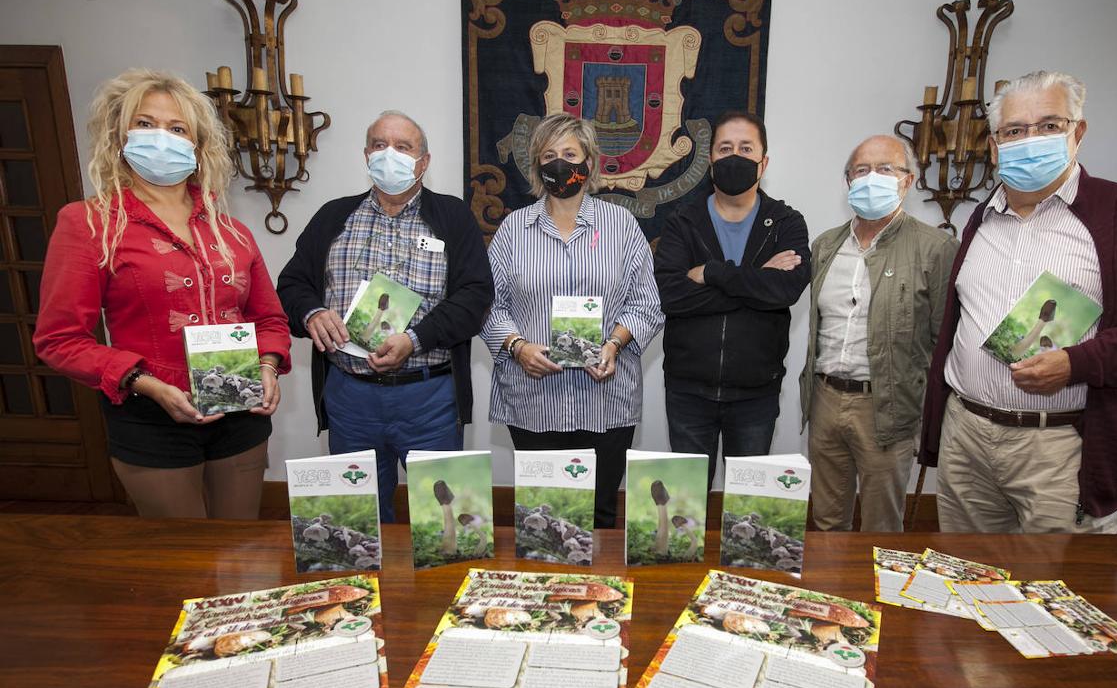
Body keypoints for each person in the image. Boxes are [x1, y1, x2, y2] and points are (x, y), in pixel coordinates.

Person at [920, 70, 1117, 533]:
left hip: (1062, 445)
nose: (1031, 139)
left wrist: (1079, 362)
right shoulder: (982, 218)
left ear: (1077, 132)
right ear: (995, 145)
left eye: (1049, 125)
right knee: (969, 583)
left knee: (1056, 593)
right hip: (968, 439)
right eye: (1015, 130)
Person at [33, 68, 290, 518]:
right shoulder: (90, 224)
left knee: (239, 555)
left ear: (197, 144)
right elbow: (59, 340)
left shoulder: (231, 231)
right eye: (146, 124)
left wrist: (267, 366)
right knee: (185, 563)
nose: (161, 138)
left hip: (240, 413)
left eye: (176, 129)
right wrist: (147, 384)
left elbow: (269, 319)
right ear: (120, 136)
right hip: (149, 418)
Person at [277, 111, 492, 522]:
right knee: (359, 524)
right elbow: (291, 285)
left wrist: (416, 339)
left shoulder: (453, 218)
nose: (389, 154)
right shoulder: (332, 217)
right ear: (366, 155)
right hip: (350, 396)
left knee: (449, 521)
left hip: (429, 396)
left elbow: (475, 297)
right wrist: (312, 312)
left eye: (403, 147)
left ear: (423, 161)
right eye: (379, 145)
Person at [481, 112, 663, 529]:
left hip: (606, 399)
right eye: (549, 155)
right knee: (543, 516)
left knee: (599, 517)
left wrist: (615, 344)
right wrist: (516, 347)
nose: (559, 163)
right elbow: (489, 303)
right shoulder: (513, 229)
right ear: (536, 166)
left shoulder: (621, 226)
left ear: (589, 163)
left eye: (569, 153)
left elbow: (647, 303)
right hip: (533, 401)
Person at [799, 135, 957, 532]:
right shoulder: (825, 245)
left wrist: (932, 416)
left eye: (886, 169)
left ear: (909, 180)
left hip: (886, 408)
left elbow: (944, 341)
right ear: (847, 180)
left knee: (881, 526)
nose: (872, 178)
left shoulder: (936, 248)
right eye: (862, 170)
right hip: (825, 399)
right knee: (826, 520)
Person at [654, 111, 810, 488]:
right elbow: (671, 296)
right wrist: (754, 285)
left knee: (748, 510)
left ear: (764, 161)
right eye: (725, 148)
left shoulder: (787, 222)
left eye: (746, 148)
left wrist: (712, 273)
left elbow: (784, 291)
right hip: (688, 391)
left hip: (755, 395)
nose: (734, 156)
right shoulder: (682, 221)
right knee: (686, 507)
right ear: (710, 161)